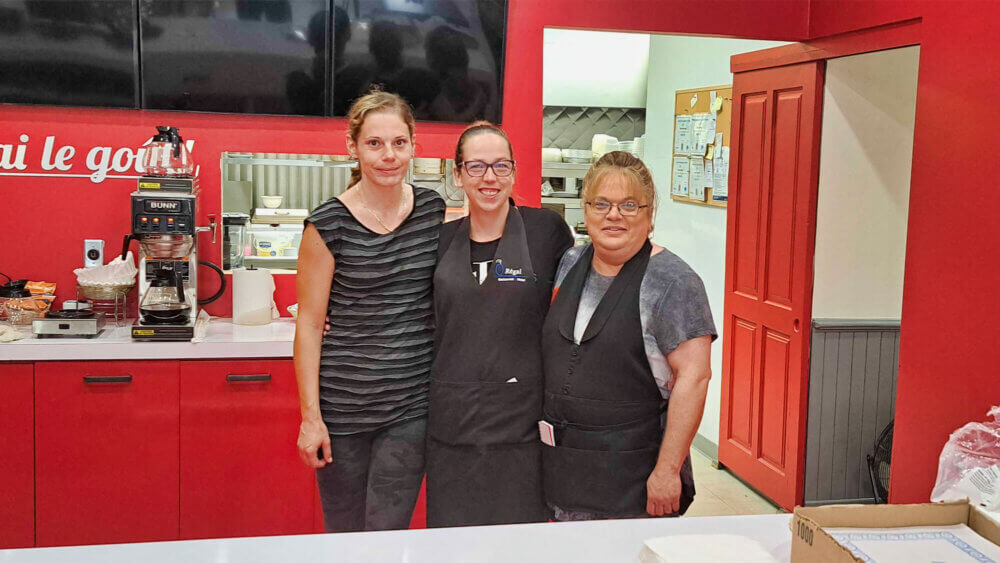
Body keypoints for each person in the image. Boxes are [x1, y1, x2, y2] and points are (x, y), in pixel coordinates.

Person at [294, 90, 445, 532]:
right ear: (352, 147)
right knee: (343, 534)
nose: (388, 156)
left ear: (413, 145)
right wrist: (311, 419)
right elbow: (307, 324)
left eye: (399, 142)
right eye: (374, 143)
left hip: (410, 407)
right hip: (342, 410)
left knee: (385, 533)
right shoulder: (327, 225)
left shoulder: (433, 210)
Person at [541, 151, 716, 520]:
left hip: (633, 479)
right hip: (563, 472)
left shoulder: (673, 281)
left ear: (650, 215)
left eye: (629, 205)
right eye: (601, 203)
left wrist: (668, 471)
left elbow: (694, 378)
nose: (614, 215)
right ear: (585, 210)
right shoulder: (571, 263)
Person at [426, 122, 573, 527]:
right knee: (451, 546)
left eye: (501, 166)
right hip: (451, 424)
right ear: (457, 175)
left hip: (520, 428)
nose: (489, 178)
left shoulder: (547, 232)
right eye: (476, 167)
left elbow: (590, 285)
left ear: (514, 171)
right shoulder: (436, 241)